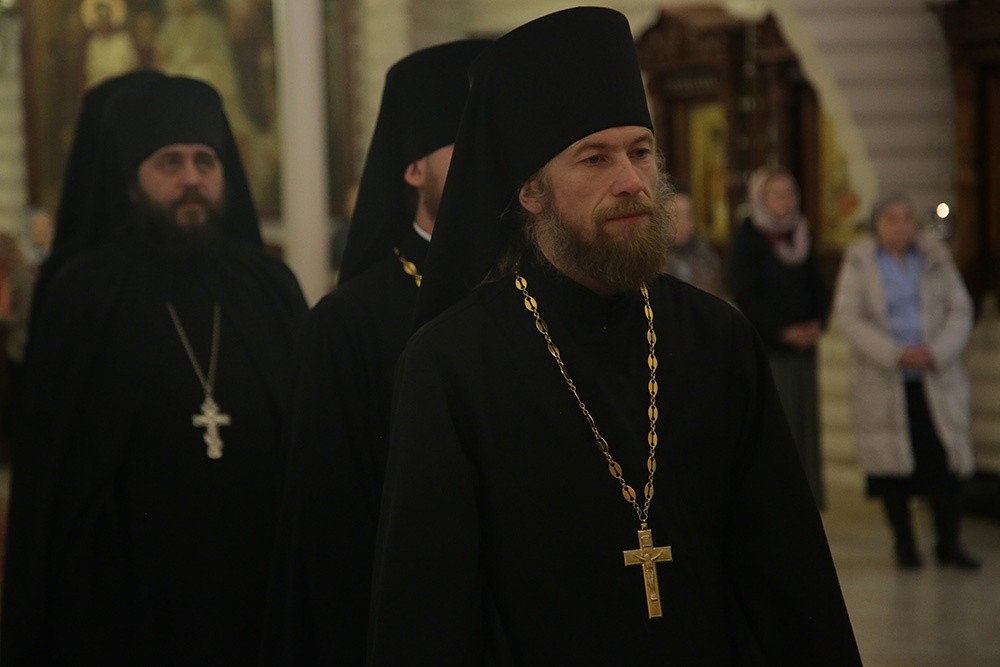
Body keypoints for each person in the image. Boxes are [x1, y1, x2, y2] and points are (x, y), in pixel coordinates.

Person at [368, 8, 860, 664]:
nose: (631, 182)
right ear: (531, 192)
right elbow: (430, 609)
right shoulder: (452, 361)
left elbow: (786, 574)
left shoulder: (717, 338)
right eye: (594, 159)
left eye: (641, 152)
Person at [0, 74, 307, 665]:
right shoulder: (85, 295)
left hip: (258, 586)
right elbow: (55, 482)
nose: (191, 178)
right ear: (130, 182)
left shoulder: (268, 286)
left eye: (204, 161)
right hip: (126, 602)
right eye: (169, 163)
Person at [260, 40, 490, 665]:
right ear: (413, 169)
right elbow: (330, 534)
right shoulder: (346, 325)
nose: (490, 163)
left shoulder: (543, 294)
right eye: (467, 144)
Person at [832, 193, 979, 570]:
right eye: (892, 219)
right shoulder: (860, 261)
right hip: (886, 377)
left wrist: (936, 351)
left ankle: (949, 542)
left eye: (907, 218)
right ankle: (905, 544)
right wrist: (894, 353)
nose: (901, 226)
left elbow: (960, 309)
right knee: (892, 468)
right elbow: (850, 317)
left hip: (934, 376)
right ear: (877, 225)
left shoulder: (935, 258)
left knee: (944, 461)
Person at [730, 165, 827, 509]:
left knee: (806, 426)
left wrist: (816, 323)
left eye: (790, 193)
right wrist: (782, 331)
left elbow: (817, 284)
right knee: (780, 425)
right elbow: (747, 294)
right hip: (771, 349)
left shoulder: (802, 232)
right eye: (777, 194)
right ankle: (782, 499)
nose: (785, 201)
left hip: (804, 349)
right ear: (760, 198)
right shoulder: (749, 238)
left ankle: (808, 496)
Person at [662, 183, 727, 300]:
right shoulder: (656, 262)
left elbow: (719, 294)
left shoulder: (705, 255)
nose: (683, 223)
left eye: (688, 215)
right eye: (676, 216)